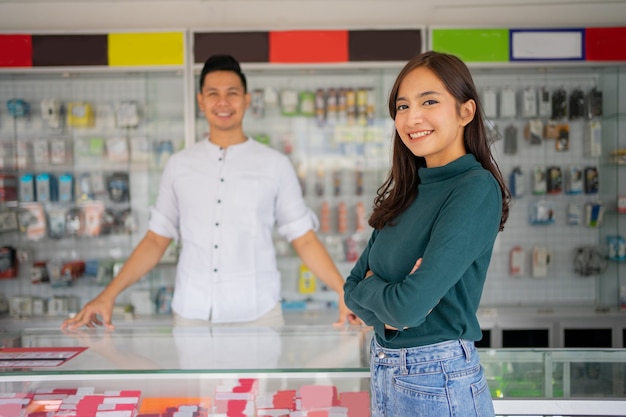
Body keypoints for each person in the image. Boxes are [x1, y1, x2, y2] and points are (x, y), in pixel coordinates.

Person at [62, 54, 359, 330]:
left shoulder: (275, 165)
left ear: (246, 99)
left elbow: (304, 237)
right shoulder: (179, 165)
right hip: (191, 314)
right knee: (194, 390)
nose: (223, 102)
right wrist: (108, 294)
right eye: (213, 93)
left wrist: (342, 291)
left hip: (257, 315)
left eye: (232, 92)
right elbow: (155, 239)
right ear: (200, 101)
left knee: (260, 390)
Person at [343, 51, 510, 417]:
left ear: (466, 112)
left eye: (429, 101)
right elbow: (351, 293)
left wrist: (378, 293)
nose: (411, 117)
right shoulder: (408, 191)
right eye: (402, 106)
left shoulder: (474, 188)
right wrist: (384, 300)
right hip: (387, 369)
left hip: (438, 378)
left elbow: (407, 308)